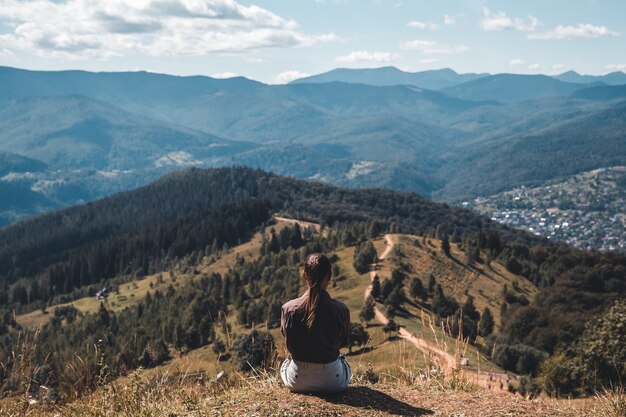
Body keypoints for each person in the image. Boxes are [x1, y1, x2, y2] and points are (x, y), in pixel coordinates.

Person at [280, 253, 352, 393]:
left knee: (286, 362)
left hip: (297, 380)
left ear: (304, 275)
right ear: (329, 277)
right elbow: (344, 342)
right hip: (333, 381)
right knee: (342, 360)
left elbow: (286, 337)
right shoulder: (341, 310)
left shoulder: (288, 309)